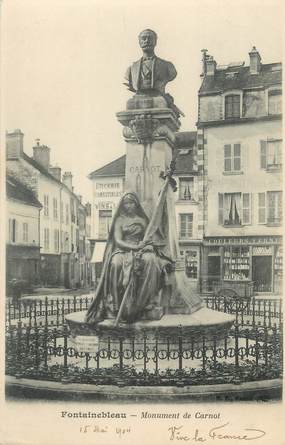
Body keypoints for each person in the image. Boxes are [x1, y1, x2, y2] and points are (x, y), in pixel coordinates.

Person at [85, 192, 172, 324]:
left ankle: (146, 301)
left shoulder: (143, 220)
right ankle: (115, 303)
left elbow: (149, 238)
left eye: (131, 203)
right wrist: (134, 248)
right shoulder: (119, 220)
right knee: (115, 264)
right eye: (126, 203)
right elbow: (118, 240)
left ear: (136, 204)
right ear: (123, 205)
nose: (129, 206)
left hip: (141, 248)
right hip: (123, 249)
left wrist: (146, 246)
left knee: (151, 261)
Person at [124, 29, 177, 96]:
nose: (147, 41)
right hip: (138, 99)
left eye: (150, 38)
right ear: (139, 42)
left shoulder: (167, 66)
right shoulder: (131, 69)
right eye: (143, 38)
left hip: (159, 99)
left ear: (155, 41)